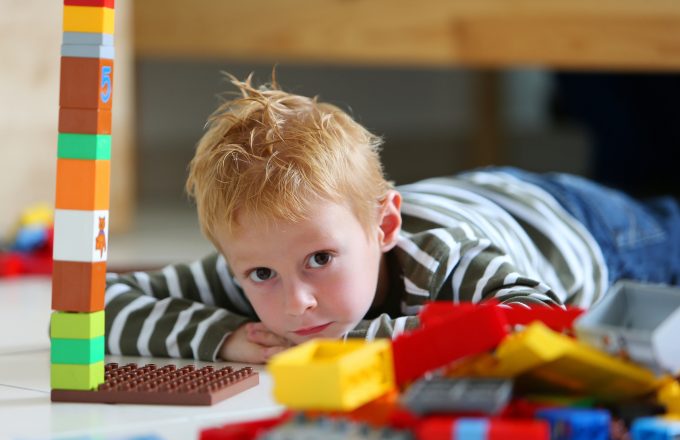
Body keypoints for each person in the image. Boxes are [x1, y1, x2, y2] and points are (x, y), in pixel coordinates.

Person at [105, 74, 680, 364]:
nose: (294, 303)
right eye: (260, 276)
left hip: (582, 228)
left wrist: (353, 342)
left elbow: (537, 320)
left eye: (321, 260)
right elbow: (85, 304)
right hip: (477, 194)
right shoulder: (264, 259)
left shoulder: (444, 258)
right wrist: (226, 338)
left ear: (383, 229)